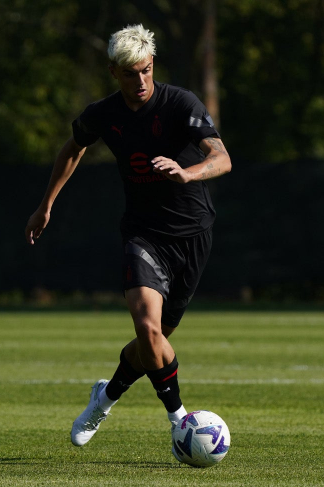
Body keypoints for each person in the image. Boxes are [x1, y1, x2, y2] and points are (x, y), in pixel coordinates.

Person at [24, 24, 231, 450]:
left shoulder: (180, 103)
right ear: (113, 72)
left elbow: (221, 157)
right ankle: (180, 422)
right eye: (130, 73)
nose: (140, 80)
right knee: (148, 329)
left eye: (146, 70)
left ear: (152, 64)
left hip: (192, 234)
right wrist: (46, 204)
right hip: (143, 234)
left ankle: (106, 395)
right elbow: (73, 148)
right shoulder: (104, 113)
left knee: (154, 342)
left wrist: (186, 172)